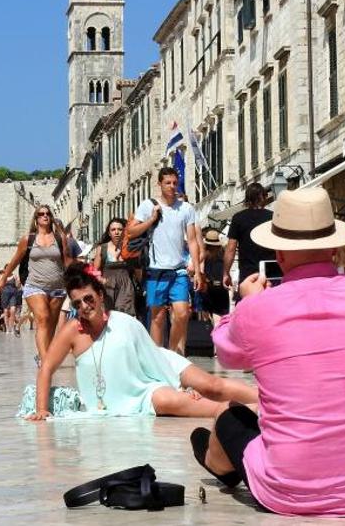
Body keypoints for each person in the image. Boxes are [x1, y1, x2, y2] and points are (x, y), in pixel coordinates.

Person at [192, 188, 345, 516]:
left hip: (287, 490)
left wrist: (247, 302)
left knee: (229, 416)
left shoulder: (260, 308)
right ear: (333, 246)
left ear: (280, 253)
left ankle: (219, 463)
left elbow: (228, 353)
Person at [27, 263, 257, 420]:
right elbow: (46, 367)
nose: (84, 307)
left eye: (88, 298)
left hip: (156, 363)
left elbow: (151, 354)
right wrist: (41, 410)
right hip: (137, 389)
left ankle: (270, 398)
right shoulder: (72, 331)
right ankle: (253, 412)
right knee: (169, 401)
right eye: (77, 304)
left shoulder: (125, 322)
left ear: (99, 294)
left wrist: (180, 387)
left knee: (212, 386)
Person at [127, 167, 204, 353]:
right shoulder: (148, 205)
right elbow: (130, 232)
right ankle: (156, 357)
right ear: (159, 184)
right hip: (156, 270)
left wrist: (198, 270)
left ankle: (170, 352)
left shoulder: (186, 208)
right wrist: (152, 219)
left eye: (175, 183)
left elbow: (192, 240)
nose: (172, 186)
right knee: (158, 317)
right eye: (168, 183)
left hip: (178, 270)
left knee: (182, 313)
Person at [0, 206, 71, 365]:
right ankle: (46, 362)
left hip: (58, 286)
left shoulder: (60, 238)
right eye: (41, 214)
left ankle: (42, 354)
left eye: (47, 214)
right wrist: (3, 278)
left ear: (51, 217)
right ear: (36, 218)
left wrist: (78, 278)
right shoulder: (28, 240)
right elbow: (15, 260)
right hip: (35, 286)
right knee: (43, 319)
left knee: (50, 324)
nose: (45, 216)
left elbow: (67, 261)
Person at [224, 182, 275, 292]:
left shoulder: (238, 218)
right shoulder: (272, 217)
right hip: (271, 271)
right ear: (263, 197)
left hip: (248, 272)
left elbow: (231, 249)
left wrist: (226, 272)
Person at [93, 217, 135, 314]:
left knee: (123, 315)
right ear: (109, 233)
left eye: (120, 229)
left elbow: (137, 269)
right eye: (113, 230)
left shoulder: (129, 247)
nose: (116, 232)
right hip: (108, 287)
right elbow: (94, 270)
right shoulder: (102, 248)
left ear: (124, 231)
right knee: (110, 316)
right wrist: (101, 279)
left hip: (126, 287)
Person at [198, 228, 230, 321]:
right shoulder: (223, 253)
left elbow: (201, 270)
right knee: (222, 316)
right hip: (221, 287)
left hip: (208, 286)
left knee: (210, 316)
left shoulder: (204, 254)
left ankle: (214, 331)